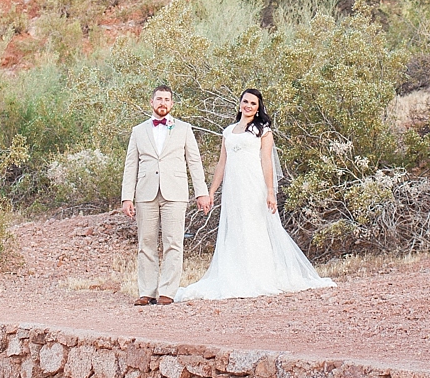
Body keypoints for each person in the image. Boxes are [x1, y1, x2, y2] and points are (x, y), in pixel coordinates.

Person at [176, 88, 334, 302]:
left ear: (258, 108)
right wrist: (211, 191)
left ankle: (260, 274)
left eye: (253, 103)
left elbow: (266, 162)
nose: (248, 106)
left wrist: (270, 191)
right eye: (245, 102)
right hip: (234, 189)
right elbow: (222, 163)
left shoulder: (263, 132)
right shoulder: (228, 132)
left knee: (255, 226)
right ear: (240, 103)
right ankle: (236, 273)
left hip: (254, 185)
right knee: (236, 227)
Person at [121, 84, 210, 305]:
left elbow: (194, 162)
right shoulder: (138, 131)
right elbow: (131, 165)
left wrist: (201, 192)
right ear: (151, 102)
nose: (163, 103)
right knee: (146, 242)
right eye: (159, 99)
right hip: (145, 193)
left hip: (175, 192)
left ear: (172, 103)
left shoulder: (184, 129)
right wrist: (127, 197)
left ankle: (167, 292)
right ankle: (147, 291)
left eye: (167, 99)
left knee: (173, 242)